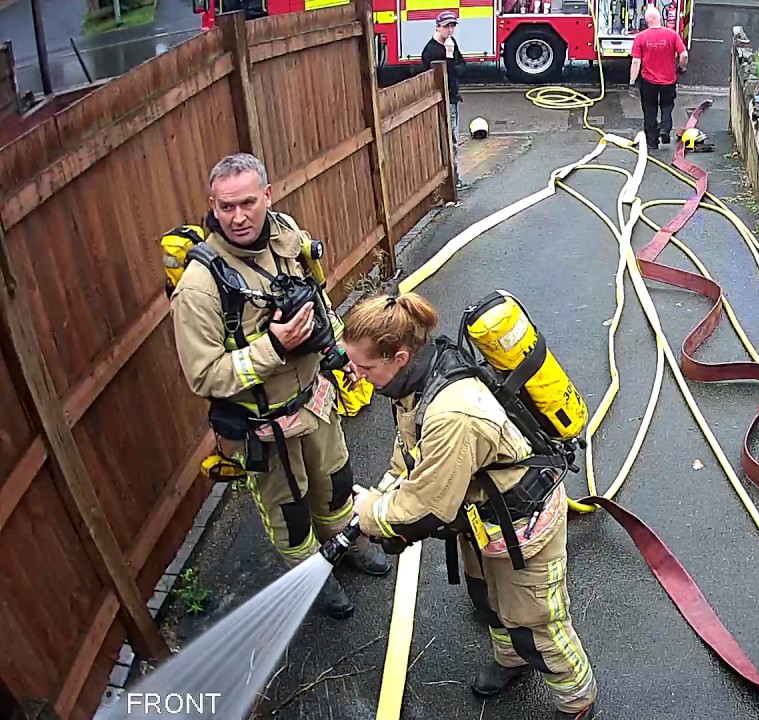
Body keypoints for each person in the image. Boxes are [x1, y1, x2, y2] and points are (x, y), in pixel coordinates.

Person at [344, 292, 598, 720]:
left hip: (523, 523)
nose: (355, 374)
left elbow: (427, 508)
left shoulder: (452, 413)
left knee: (538, 622)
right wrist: (384, 492)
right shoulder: (415, 382)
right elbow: (412, 452)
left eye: (365, 367)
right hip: (484, 517)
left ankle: (577, 700)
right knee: (488, 599)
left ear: (399, 356)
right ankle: (511, 660)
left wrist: (372, 512)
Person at [170, 153, 390, 620]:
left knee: (335, 485)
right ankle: (314, 578)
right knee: (289, 515)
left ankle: (345, 545)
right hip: (264, 426)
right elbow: (203, 375)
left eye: (248, 202)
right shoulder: (200, 287)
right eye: (226, 207)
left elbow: (317, 298)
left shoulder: (287, 235)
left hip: (316, 401)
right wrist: (272, 345)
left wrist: (339, 357)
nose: (238, 216)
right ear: (212, 204)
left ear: (267, 196)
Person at [629, 5, 688, 150]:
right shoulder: (672, 34)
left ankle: (652, 142)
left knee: (650, 110)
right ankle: (665, 129)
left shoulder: (641, 37)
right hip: (669, 80)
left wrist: (632, 82)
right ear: (660, 18)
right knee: (667, 106)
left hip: (648, 82)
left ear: (646, 20)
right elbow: (684, 54)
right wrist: (681, 67)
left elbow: (636, 61)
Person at [421, 11, 467, 191]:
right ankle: (451, 181)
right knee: (448, 140)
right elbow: (444, 76)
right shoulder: (432, 50)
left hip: (452, 97)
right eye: (447, 26)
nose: (450, 30)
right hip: (441, 99)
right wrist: (448, 56)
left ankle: (454, 179)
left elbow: (462, 67)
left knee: (452, 138)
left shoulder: (451, 43)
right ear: (438, 26)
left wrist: (452, 58)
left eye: (453, 26)